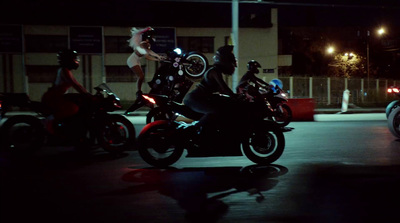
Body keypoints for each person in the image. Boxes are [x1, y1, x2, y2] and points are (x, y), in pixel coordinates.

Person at [183, 45, 238, 129]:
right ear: (224, 60)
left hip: (199, 98)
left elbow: (222, 91)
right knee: (215, 112)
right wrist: (235, 97)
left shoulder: (215, 70)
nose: (232, 66)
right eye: (230, 62)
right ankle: (194, 129)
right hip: (195, 99)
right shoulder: (215, 71)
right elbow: (224, 88)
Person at [41, 49, 89, 134]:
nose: (77, 61)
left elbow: (76, 84)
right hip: (54, 97)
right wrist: (87, 95)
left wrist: (85, 93)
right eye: (75, 59)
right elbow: (75, 84)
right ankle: (48, 121)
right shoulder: (64, 70)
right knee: (73, 108)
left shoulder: (65, 70)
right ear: (68, 60)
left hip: (57, 96)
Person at [127, 27, 165, 102]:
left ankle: (139, 92)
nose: (153, 38)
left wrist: (158, 56)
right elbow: (147, 57)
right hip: (132, 60)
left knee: (141, 77)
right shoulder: (143, 44)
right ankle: (138, 92)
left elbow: (150, 52)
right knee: (141, 76)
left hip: (137, 60)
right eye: (152, 36)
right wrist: (157, 58)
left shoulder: (146, 44)